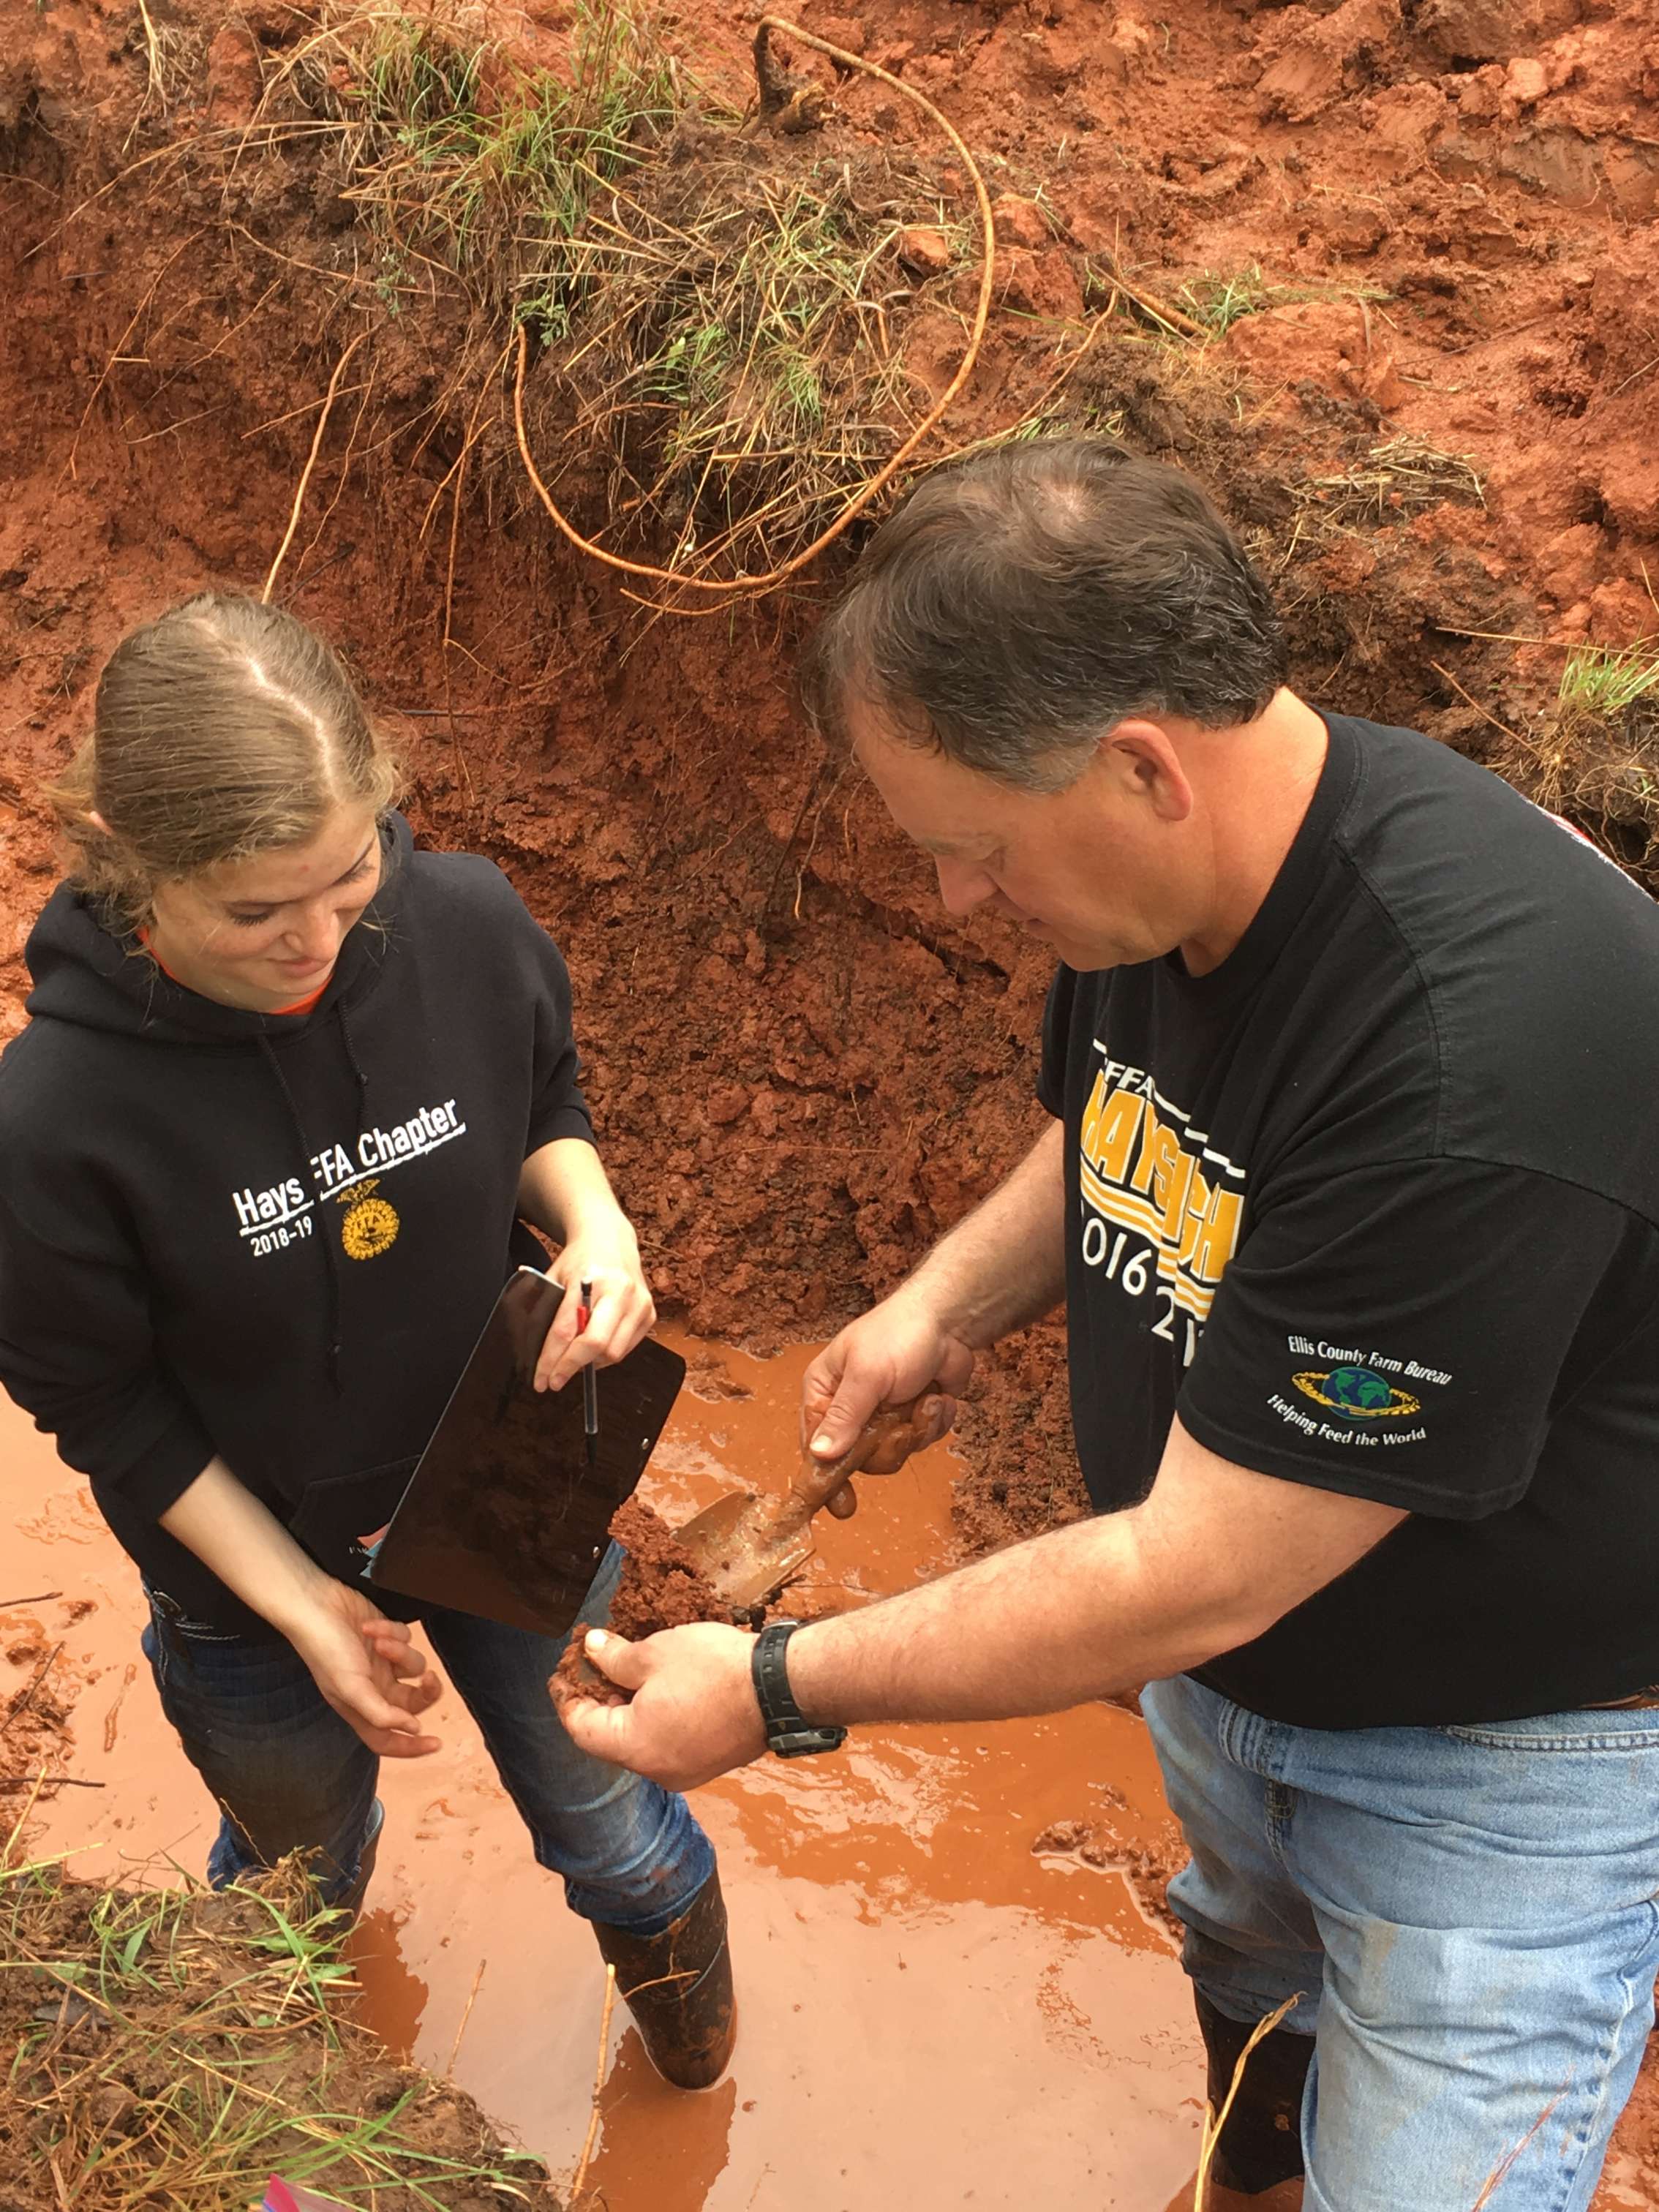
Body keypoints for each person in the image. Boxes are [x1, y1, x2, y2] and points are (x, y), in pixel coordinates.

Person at [560, 437, 1659, 2205]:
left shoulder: (1468, 1052)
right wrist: (941, 1301)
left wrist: (772, 1684)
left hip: (1501, 1778)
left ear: (1142, 765)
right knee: (1251, 1989)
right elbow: (1124, 1125)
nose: (955, 904)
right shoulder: (1192, 883)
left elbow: (1201, 1568)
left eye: (974, 853)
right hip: (1239, 1696)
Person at [0, 593, 733, 2090]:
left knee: (608, 1816)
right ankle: (266, 2106)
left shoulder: (459, 921)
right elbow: (109, 1411)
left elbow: (546, 1105)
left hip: (510, 1483)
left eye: (348, 878)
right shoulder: (55, 1119)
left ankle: (691, 2051)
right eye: (258, 913)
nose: (319, 942)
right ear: (133, 871)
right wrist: (306, 1609)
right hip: (243, 1570)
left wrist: (599, 1230)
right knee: (292, 1877)